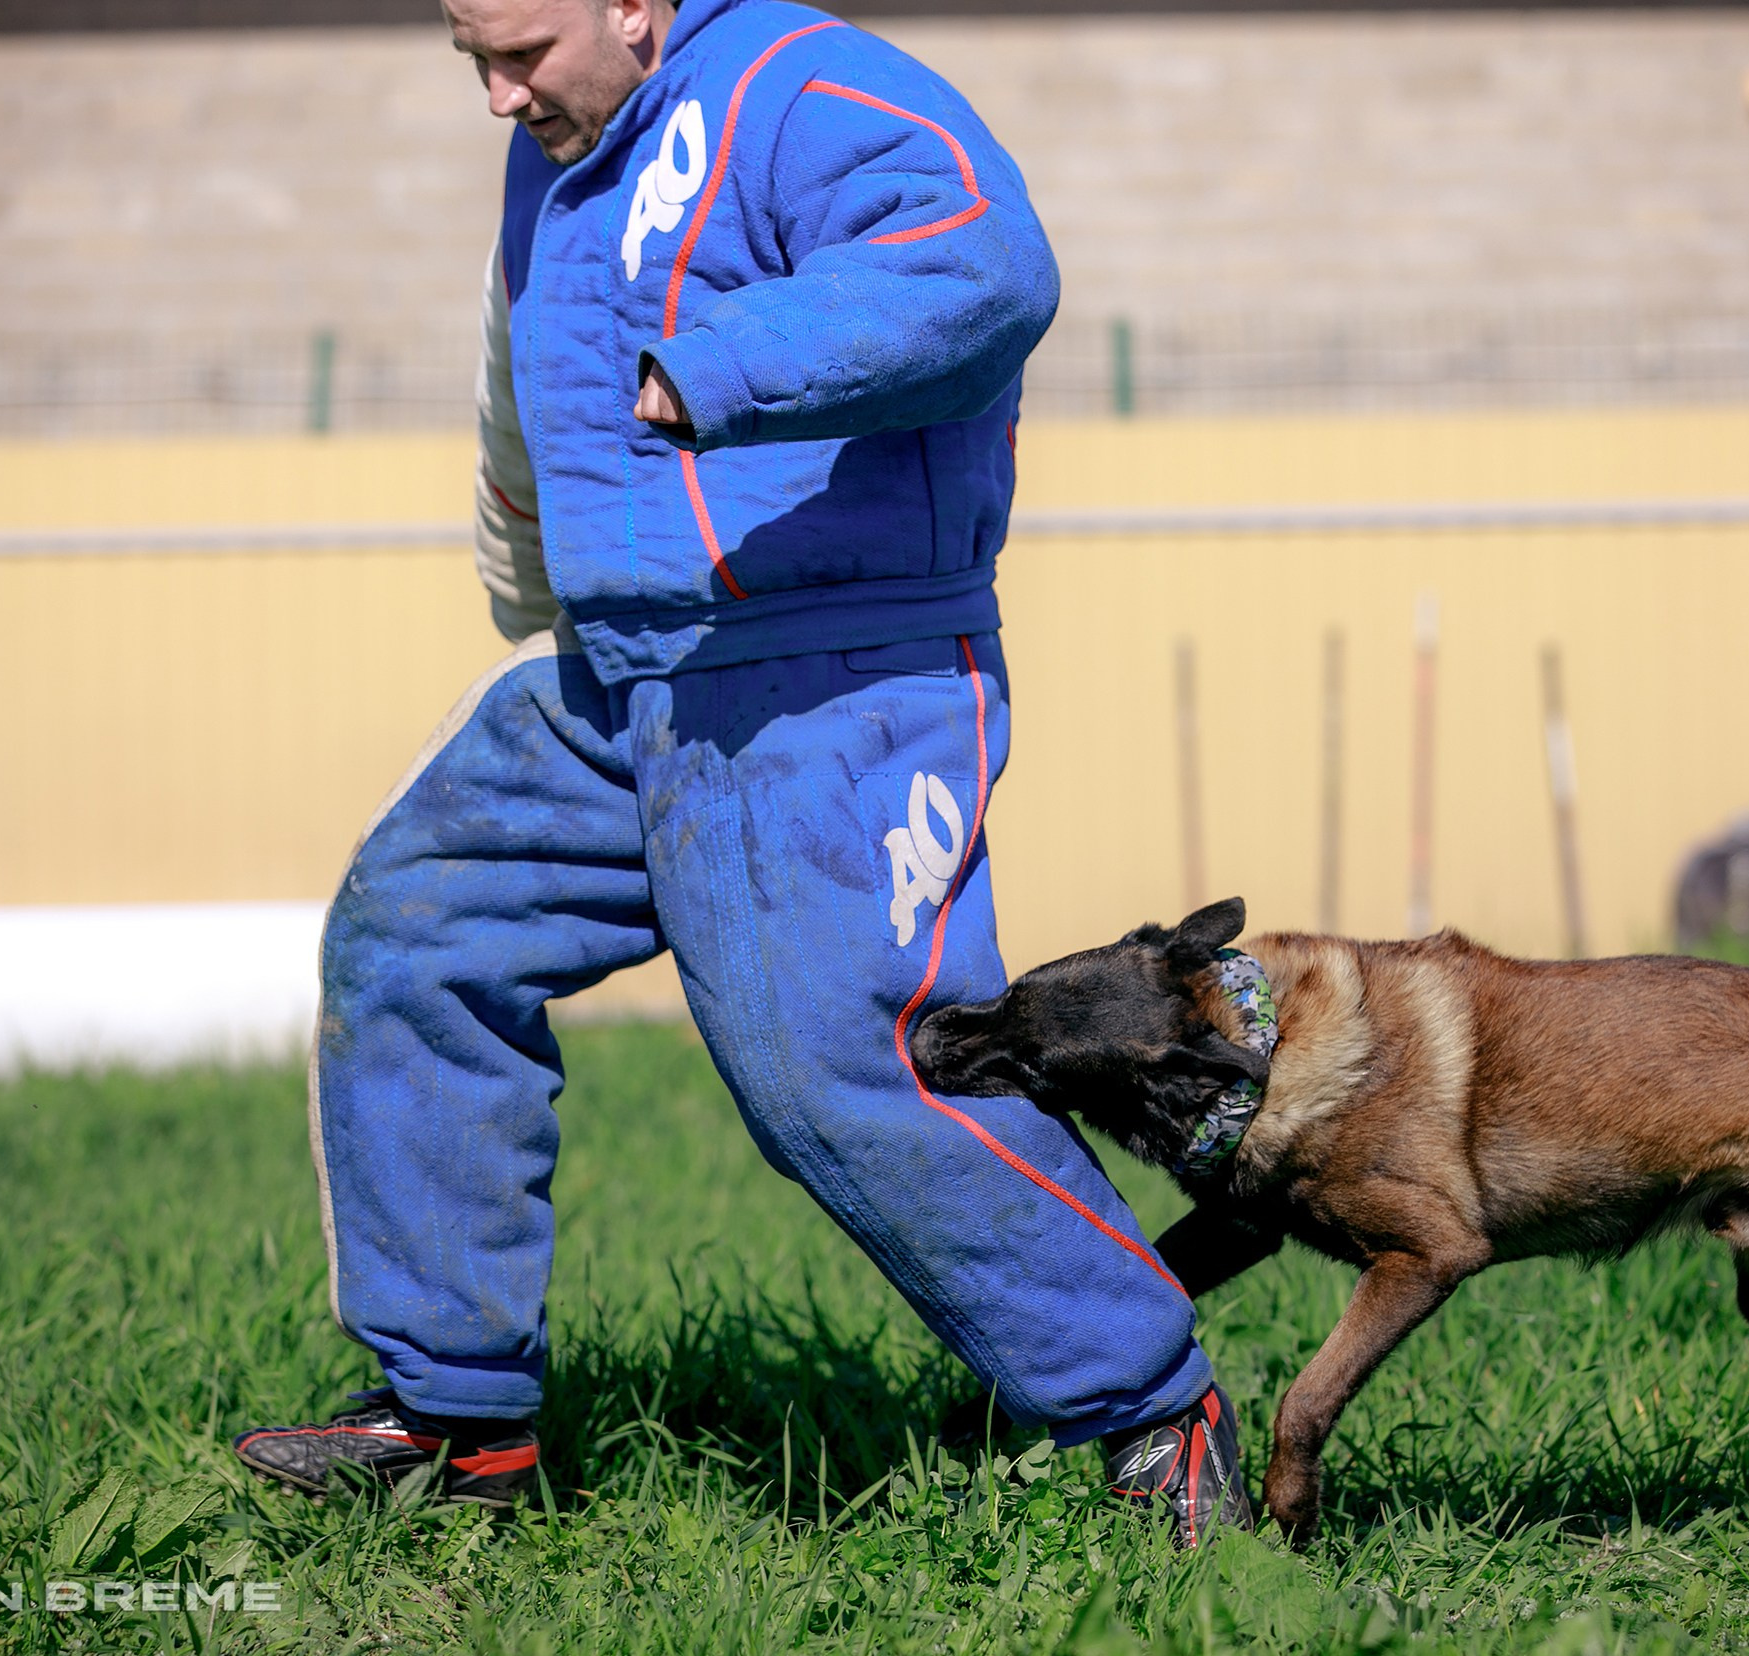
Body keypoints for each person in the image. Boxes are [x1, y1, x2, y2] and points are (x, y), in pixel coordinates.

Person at [230, 0, 1253, 1545]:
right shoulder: (570, 142)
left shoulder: (800, 86)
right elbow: (532, 372)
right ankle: (452, 1418)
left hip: (832, 676)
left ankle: (1152, 1416)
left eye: (520, 54)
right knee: (415, 937)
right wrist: (527, 564)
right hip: (629, 671)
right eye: (472, 62)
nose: (499, 98)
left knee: (835, 1068)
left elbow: (988, 264)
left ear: (633, 4)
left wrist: (727, 364)